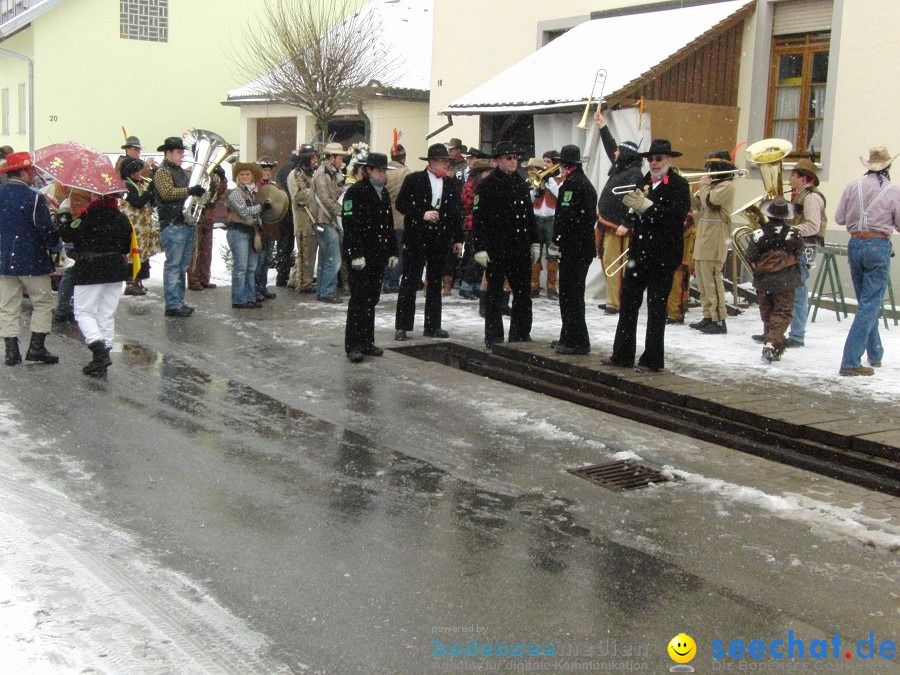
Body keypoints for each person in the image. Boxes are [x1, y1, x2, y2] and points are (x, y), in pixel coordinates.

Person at [601, 139, 691, 372]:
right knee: (628, 304)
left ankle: (652, 360)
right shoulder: (644, 181)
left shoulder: (679, 185)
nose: (653, 163)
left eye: (658, 159)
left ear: (669, 161)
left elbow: (674, 217)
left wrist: (647, 207)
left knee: (656, 308)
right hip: (639, 252)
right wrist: (629, 216)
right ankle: (622, 355)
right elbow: (636, 210)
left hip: (662, 255)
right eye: (650, 159)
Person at [834, 146, 900, 376]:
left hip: (855, 244)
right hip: (878, 245)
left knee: (865, 302)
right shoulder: (893, 191)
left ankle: (875, 353)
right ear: (888, 166)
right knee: (869, 305)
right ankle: (850, 360)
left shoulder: (853, 186)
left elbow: (839, 218)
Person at [472, 141, 541, 348]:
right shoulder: (486, 185)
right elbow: (479, 219)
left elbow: (529, 216)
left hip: (519, 247)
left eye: (515, 158)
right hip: (497, 247)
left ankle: (520, 333)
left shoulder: (521, 183)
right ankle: (493, 336)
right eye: (509, 158)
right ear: (498, 161)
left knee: (522, 293)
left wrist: (535, 241)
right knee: (494, 294)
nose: (513, 161)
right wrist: (480, 247)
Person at [393, 143, 463, 341]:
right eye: (443, 161)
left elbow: (455, 213)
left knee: (434, 282)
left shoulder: (450, 184)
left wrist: (458, 239)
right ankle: (403, 326)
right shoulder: (414, 179)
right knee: (410, 280)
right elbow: (401, 204)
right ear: (431, 162)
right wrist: (420, 214)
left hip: (439, 239)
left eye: (448, 161)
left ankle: (433, 325)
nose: (446, 165)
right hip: (417, 237)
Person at [58, 193, 133, 376]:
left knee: (83, 312)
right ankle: (104, 353)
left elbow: (67, 234)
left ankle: (98, 352)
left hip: (90, 269)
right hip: (115, 269)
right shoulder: (122, 218)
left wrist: (65, 215)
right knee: (106, 314)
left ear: (97, 196)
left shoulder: (87, 215)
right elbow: (125, 247)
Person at [0, 151, 63, 366]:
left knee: (8, 305)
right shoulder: (34, 197)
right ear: (24, 172)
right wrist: (56, 245)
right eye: (32, 170)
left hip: (4, 260)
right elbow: (45, 229)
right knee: (43, 302)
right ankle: (36, 347)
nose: (35, 174)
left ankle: (10, 350)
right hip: (32, 260)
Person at [342, 153, 399, 362]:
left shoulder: (382, 193)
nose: (383, 174)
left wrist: (393, 250)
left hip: (377, 254)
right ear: (368, 171)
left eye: (384, 171)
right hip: (361, 255)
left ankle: (367, 340)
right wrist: (356, 254)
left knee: (371, 299)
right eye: (379, 170)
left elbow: (388, 224)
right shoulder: (355, 192)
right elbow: (351, 226)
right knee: (358, 299)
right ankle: (353, 344)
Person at [593, 111, 643, 315]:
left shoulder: (634, 173)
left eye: (619, 152)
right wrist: (603, 126)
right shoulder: (622, 167)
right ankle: (612, 299)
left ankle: (616, 303)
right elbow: (610, 147)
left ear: (626, 154)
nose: (615, 154)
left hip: (618, 227)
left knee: (616, 266)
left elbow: (634, 202)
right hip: (607, 223)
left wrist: (626, 223)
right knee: (607, 262)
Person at [550, 145, 598, 355]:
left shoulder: (573, 184)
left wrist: (556, 241)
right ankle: (569, 335)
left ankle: (576, 340)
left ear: (565, 165)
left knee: (571, 294)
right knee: (571, 294)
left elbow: (566, 218)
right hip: (580, 246)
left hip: (575, 247)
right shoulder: (580, 182)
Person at [745, 197, 803, 364]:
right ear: (786, 216)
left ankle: (772, 344)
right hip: (786, 279)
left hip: (763, 280)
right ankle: (771, 344)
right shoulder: (793, 234)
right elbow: (799, 252)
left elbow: (751, 256)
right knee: (782, 312)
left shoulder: (758, 234)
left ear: (768, 215)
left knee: (767, 312)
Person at [153, 136, 206, 317]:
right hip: (172, 223)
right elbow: (167, 193)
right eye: (178, 153)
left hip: (184, 222)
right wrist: (190, 191)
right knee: (174, 266)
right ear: (168, 153)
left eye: (182, 152)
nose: (181, 156)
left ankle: (179, 301)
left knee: (182, 266)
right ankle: (172, 304)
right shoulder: (162, 172)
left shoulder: (181, 172)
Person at [688, 151, 737, 333]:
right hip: (704, 232)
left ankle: (719, 319)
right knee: (701, 276)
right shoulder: (712, 185)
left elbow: (712, 201)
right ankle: (708, 315)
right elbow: (698, 205)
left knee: (712, 278)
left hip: (716, 234)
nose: (707, 172)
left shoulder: (727, 185)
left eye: (711, 168)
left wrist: (704, 187)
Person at [784, 158, 826, 348]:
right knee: (791, 289)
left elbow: (813, 226)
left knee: (799, 291)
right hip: (798, 246)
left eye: (793, 175)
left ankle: (797, 335)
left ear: (803, 178)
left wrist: (789, 231)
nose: (790, 177)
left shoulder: (811, 197)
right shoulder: (800, 195)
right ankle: (781, 331)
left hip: (805, 247)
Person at [226, 161, 267, 309]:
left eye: (247, 174)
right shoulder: (236, 193)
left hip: (249, 231)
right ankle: (238, 299)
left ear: (252, 176)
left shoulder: (251, 193)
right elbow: (243, 212)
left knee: (250, 267)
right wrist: (260, 208)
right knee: (241, 267)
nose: (244, 176)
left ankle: (249, 297)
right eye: (241, 174)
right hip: (238, 232)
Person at [310, 142, 346, 304]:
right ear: (331, 157)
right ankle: (327, 291)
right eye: (340, 158)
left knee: (326, 258)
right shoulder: (323, 174)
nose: (342, 161)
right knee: (334, 259)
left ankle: (322, 290)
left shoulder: (328, 173)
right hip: (324, 220)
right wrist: (344, 212)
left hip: (323, 220)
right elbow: (326, 199)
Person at [118, 157, 159, 296]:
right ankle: (131, 282)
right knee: (134, 254)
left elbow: (149, 202)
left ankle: (138, 281)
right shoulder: (127, 185)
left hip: (142, 227)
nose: (138, 173)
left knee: (141, 254)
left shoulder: (137, 184)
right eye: (135, 171)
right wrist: (148, 191)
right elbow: (137, 202)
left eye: (139, 170)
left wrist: (152, 193)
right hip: (134, 227)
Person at [459, 158, 494, 300]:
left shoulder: (484, 185)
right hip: (473, 224)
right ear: (480, 173)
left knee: (481, 256)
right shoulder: (471, 186)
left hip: (483, 223)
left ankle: (475, 285)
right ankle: (466, 286)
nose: (490, 174)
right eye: (487, 171)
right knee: (473, 256)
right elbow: (468, 205)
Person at [286, 145, 319, 293]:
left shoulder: (312, 174)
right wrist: (317, 191)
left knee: (306, 252)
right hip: (303, 220)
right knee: (306, 252)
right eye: (312, 158)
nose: (315, 161)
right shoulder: (295, 174)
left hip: (314, 219)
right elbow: (298, 196)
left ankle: (294, 279)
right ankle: (304, 284)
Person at [187, 164, 225, 292]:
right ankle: (194, 280)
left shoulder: (212, 175)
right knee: (196, 251)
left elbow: (218, 194)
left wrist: (222, 179)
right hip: (196, 215)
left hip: (208, 216)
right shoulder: (191, 172)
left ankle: (204, 278)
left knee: (206, 251)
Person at [530, 151, 561, 300]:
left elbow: (560, 195)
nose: (545, 165)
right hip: (536, 218)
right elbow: (528, 198)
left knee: (552, 254)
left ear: (555, 164)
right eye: (544, 161)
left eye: (548, 162)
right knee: (535, 252)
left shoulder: (559, 179)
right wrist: (536, 190)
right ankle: (533, 286)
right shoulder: (538, 178)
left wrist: (550, 181)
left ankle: (551, 287)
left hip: (551, 219)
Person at [382, 144, 411, 293]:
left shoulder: (384, 170)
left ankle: (385, 278)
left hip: (386, 217)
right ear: (404, 157)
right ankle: (392, 282)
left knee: (387, 249)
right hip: (400, 217)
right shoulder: (405, 172)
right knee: (399, 251)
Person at [254, 157, 280, 302]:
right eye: (265, 170)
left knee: (266, 260)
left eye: (269, 170)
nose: (267, 173)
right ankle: (255, 289)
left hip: (271, 228)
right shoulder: (256, 187)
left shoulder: (274, 186)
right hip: (260, 228)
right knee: (259, 260)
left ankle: (263, 287)